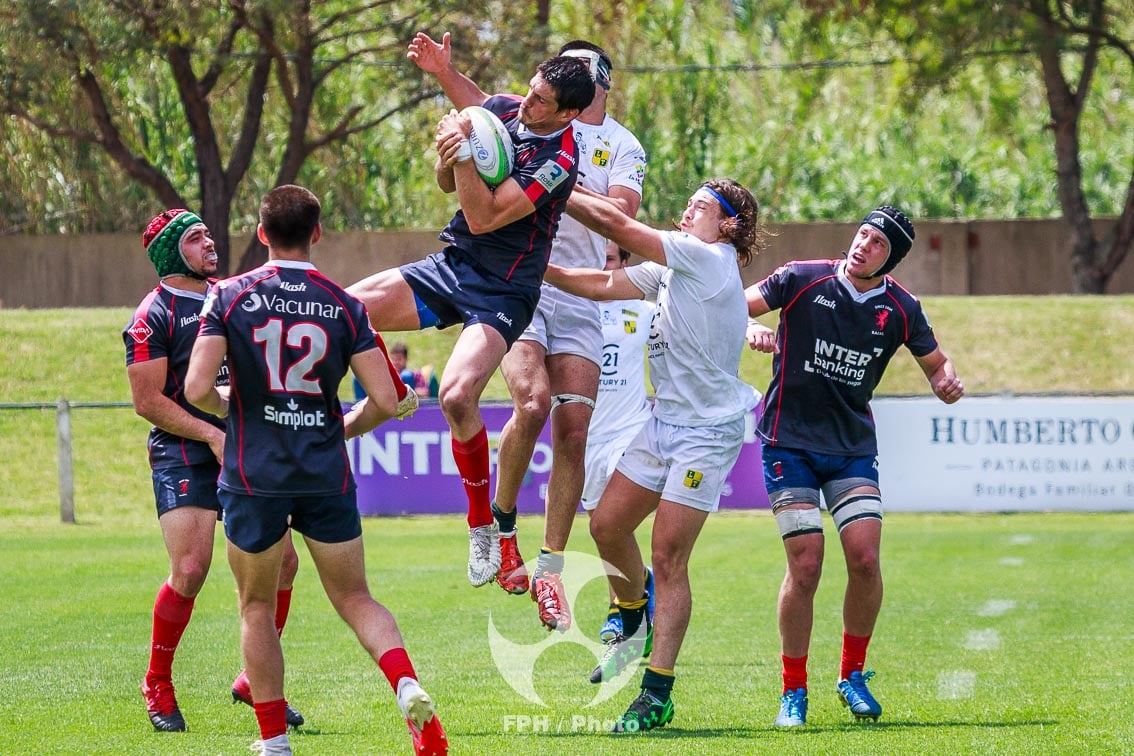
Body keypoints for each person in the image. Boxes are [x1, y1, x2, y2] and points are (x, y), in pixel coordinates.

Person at [184, 185, 447, 756]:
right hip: (324, 470)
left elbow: (197, 388)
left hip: (255, 474)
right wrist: (338, 428)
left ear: (260, 233)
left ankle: (274, 742)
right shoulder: (345, 304)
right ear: (318, 233)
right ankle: (406, 684)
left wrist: (239, 405)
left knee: (256, 606)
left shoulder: (227, 296)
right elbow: (384, 398)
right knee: (356, 598)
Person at [400, 33, 647, 630]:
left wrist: (552, 184)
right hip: (521, 282)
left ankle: (550, 569)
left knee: (574, 430)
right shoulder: (526, 115)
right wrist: (446, 72)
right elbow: (484, 106)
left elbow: (622, 215)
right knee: (531, 403)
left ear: (595, 88)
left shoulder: (617, 145)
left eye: (583, 74)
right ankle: (501, 524)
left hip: (582, 292)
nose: (564, 82)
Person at [347, 35, 594, 590]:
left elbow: (483, 217)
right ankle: (395, 391)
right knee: (344, 308)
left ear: (570, 114)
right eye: (529, 91)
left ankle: (483, 528)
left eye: (540, 102)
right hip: (454, 264)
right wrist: (443, 71)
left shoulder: (560, 163)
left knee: (458, 396)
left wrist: (458, 152)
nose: (526, 105)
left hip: (503, 291)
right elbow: (477, 104)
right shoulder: (509, 109)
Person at [543, 178, 764, 733]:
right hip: (662, 423)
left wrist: (550, 181)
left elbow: (617, 226)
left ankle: (656, 691)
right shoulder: (674, 267)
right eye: (688, 202)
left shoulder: (709, 259)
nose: (687, 211)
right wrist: (536, 271)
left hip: (705, 433)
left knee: (669, 558)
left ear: (729, 226)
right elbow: (599, 281)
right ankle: (633, 608)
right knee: (607, 526)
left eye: (702, 206)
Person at [744, 205, 964, 728]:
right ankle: (793, 691)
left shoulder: (903, 308)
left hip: (850, 449)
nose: (865, 245)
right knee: (807, 564)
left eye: (879, 243)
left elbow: (938, 363)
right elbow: (733, 307)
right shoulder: (800, 278)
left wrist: (946, 382)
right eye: (863, 235)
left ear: (892, 259)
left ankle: (852, 675)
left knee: (864, 560)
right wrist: (748, 330)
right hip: (787, 442)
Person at [124, 209, 304, 733]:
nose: (210, 243)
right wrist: (210, 433)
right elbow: (146, 400)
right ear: (170, 252)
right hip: (185, 449)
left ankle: (254, 678)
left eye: (208, 234)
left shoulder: (230, 294)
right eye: (197, 238)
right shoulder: (151, 314)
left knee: (286, 564)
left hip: (241, 444)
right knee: (191, 569)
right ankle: (157, 680)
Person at [584, 244, 655, 643]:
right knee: (605, 533)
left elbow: (695, 322)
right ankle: (638, 591)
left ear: (625, 265)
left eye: (610, 259)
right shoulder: (571, 310)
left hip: (631, 430)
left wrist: (749, 328)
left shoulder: (642, 311)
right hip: (587, 439)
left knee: (610, 522)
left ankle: (618, 611)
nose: (602, 266)